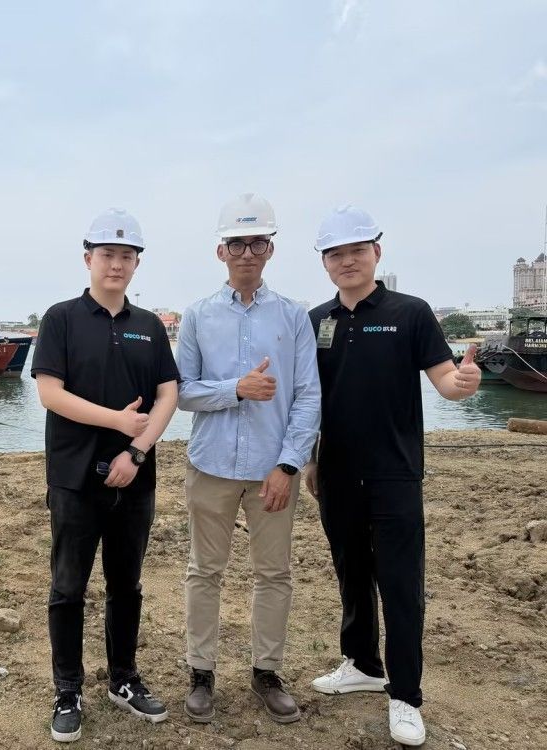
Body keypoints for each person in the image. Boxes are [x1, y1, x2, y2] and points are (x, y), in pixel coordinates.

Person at [305, 205, 480, 747]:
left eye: (357, 250)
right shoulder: (316, 320)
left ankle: (405, 694)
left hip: (395, 472)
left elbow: (446, 381)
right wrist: (310, 460)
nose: (347, 261)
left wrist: (464, 382)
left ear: (376, 253)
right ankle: (363, 663)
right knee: (351, 573)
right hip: (334, 473)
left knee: (401, 584)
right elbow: (311, 399)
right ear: (325, 263)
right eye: (336, 254)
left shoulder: (411, 312)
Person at [31, 208, 180, 743]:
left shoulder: (149, 327)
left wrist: (136, 450)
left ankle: (123, 678)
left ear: (137, 264)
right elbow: (50, 392)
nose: (117, 264)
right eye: (108, 254)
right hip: (73, 476)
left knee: (126, 584)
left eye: (127, 256)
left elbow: (168, 393)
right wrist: (116, 419)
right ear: (88, 258)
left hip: (134, 477)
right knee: (68, 586)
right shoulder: (61, 318)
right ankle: (67, 688)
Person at [177, 193, 321, 725]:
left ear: (270, 248)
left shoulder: (293, 317)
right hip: (210, 464)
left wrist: (288, 464)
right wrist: (235, 389)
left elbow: (308, 395)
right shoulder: (196, 316)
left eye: (256, 242)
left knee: (273, 573)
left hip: (270, 471)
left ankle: (267, 672)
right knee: (203, 571)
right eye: (236, 243)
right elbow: (183, 392)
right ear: (221, 251)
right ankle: (201, 673)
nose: (246, 252)